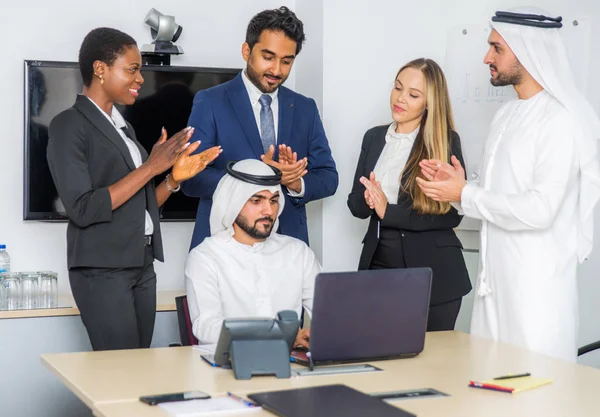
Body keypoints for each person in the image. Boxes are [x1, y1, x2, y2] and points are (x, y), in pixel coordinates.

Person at [417, 7, 600, 362]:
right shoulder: (506, 115)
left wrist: (466, 193)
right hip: (493, 291)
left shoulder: (559, 120)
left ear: (527, 51)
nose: (487, 57)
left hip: (536, 298)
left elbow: (540, 209)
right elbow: (495, 194)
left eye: (496, 48)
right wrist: (457, 189)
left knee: (539, 399)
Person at [47, 27, 222, 351]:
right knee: (120, 372)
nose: (141, 78)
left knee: (138, 367)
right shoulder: (69, 124)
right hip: (103, 268)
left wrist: (173, 179)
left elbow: (139, 206)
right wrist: (151, 167)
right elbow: (83, 208)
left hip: (140, 263)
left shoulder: (123, 129)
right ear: (100, 69)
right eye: (132, 69)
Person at [181, 6, 338, 249]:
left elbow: (328, 177)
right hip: (223, 245)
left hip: (289, 246)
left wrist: (295, 183)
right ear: (246, 50)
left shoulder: (305, 108)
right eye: (268, 57)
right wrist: (259, 177)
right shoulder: (210, 101)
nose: (276, 70)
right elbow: (191, 178)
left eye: (287, 61)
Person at [347, 58, 471, 331]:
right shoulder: (374, 137)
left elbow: (449, 217)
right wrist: (369, 201)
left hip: (434, 275)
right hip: (378, 267)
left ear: (429, 103)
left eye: (413, 95)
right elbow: (355, 204)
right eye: (397, 88)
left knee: (431, 366)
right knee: (379, 354)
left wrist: (386, 211)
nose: (400, 99)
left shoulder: (445, 140)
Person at [185, 159, 320, 347]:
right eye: (257, 201)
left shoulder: (298, 252)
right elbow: (207, 327)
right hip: (226, 368)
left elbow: (329, 313)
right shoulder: (205, 257)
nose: (268, 210)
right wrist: (280, 335)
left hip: (291, 368)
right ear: (233, 203)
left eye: (274, 201)